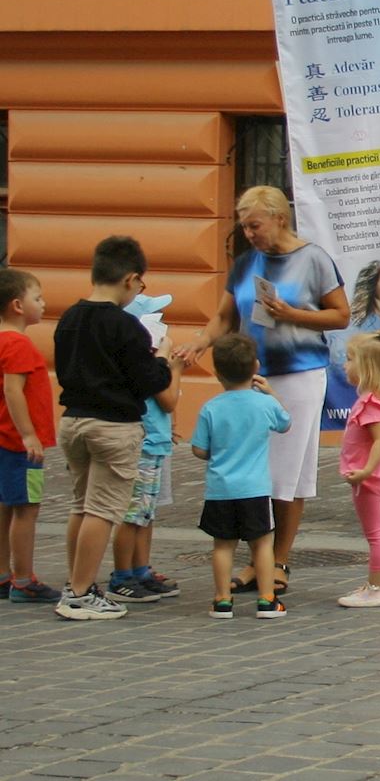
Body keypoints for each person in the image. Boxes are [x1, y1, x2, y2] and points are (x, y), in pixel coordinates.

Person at [177, 186, 349, 595]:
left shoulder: (313, 259)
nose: (249, 234)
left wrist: (291, 315)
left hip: (297, 375)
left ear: (279, 219)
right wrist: (200, 342)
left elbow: (341, 315)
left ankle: (277, 561)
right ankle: (260, 559)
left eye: (254, 225)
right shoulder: (245, 264)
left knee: (286, 474)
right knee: (254, 470)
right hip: (248, 378)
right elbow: (224, 316)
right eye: (244, 227)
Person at [54, 236, 181, 620]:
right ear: (130, 279)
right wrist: (163, 360)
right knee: (102, 510)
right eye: (140, 285)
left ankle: (75, 583)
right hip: (113, 426)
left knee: (80, 505)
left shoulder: (69, 318)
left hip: (73, 420)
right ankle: (80, 593)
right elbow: (148, 382)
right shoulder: (125, 327)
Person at [191, 333, 292, 619]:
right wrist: (271, 393)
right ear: (256, 367)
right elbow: (286, 424)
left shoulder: (211, 407)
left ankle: (222, 600)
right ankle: (266, 599)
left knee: (223, 545)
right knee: (262, 543)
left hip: (220, 489)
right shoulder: (264, 404)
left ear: (217, 373)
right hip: (255, 489)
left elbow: (199, 449)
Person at [106, 293, 184, 604]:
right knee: (133, 514)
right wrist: (172, 365)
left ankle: (141, 569)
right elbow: (167, 398)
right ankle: (122, 575)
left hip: (156, 442)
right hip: (145, 445)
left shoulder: (147, 360)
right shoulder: (147, 363)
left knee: (146, 514)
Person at [0, 270, 61, 603]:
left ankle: (4, 575)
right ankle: (24, 579)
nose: (43, 303)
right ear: (17, 305)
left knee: (6, 505)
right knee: (27, 508)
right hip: (19, 444)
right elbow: (13, 390)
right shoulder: (18, 344)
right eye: (37, 298)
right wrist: (28, 435)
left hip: (3, 440)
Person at [337, 330, 380, 608]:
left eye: (349, 359)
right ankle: (376, 583)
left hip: (371, 479)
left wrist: (365, 471)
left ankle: (377, 588)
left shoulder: (369, 404)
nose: (345, 365)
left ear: (365, 367)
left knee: (376, 535)